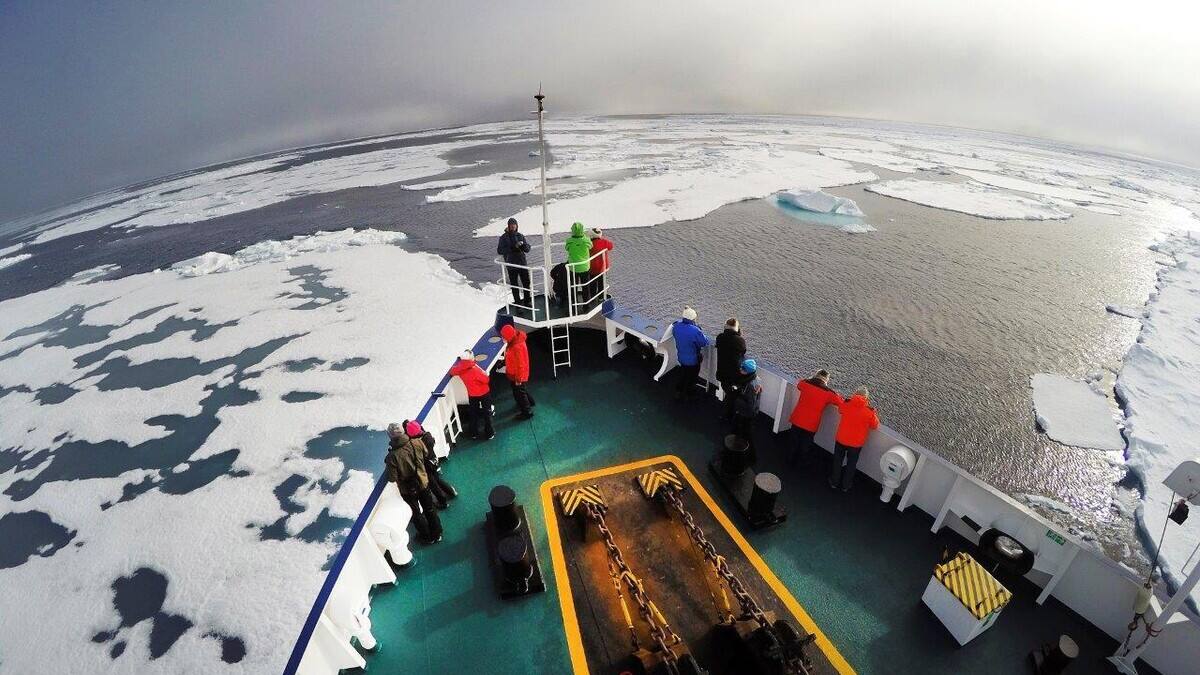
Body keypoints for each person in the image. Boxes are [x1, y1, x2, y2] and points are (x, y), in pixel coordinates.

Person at [385, 422, 443, 544]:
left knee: (416, 513)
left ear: (390, 436)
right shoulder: (416, 442)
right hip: (423, 481)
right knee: (429, 509)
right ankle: (437, 533)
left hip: (408, 489)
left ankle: (426, 537)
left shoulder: (392, 457)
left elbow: (392, 477)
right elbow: (426, 454)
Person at [830, 387, 880, 492]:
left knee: (837, 461)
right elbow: (875, 425)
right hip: (855, 444)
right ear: (866, 398)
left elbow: (840, 409)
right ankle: (846, 486)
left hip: (841, 439)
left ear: (854, 394)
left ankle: (834, 482)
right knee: (851, 465)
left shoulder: (847, 404)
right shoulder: (869, 412)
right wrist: (874, 413)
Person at [788, 369, 842, 465]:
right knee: (806, 445)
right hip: (811, 424)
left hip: (798, 419)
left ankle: (790, 460)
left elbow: (799, 384)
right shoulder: (828, 393)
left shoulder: (805, 384)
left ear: (815, 376)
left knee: (793, 441)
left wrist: (810, 379)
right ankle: (801, 463)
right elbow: (839, 402)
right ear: (826, 380)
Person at [403, 419, 457, 508]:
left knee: (433, 484)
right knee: (438, 479)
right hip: (434, 461)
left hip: (426, 466)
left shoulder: (418, 443)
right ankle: (451, 491)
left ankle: (443, 502)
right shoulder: (427, 435)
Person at [449, 350, 494, 440]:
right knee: (487, 413)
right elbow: (486, 380)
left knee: (473, 414)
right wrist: (485, 374)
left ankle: (474, 433)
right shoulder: (475, 370)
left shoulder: (460, 369)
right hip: (484, 393)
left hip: (472, 394)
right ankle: (489, 433)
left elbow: (452, 371)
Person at [671, 306, 709, 400]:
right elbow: (704, 342)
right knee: (692, 376)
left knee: (683, 374)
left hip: (681, 357)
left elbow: (677, 331)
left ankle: (678, 391)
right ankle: (689, 392)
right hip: (693, 360)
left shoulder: (676, 327)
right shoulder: (695, 331)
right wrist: (699, 329)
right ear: (693, 318)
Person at [500, 324, 535, 420]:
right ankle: (530, 402)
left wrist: (518, 379)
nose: (503, 339)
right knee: (522, 390)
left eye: (504, 337)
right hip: (519, 374)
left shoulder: (516, 347)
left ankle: (527, 412)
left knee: (519, 392)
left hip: (517, 375)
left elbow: (520, 365)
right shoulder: (518, 340)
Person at [715, 318, 747, 420]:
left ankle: (727, 414)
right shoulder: (740, 341)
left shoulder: (720, 337)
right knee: (732, 396)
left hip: (722, 373)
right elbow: (743, 351)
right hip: (735, 376)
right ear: (737, 329)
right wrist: (739, 335)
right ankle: (728, 416)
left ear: (725, 327)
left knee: (729, 393)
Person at [731, 358, 762, 463]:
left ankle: (751, 457)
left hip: (747, 413)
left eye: (742, 368)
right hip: (747, 412)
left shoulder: (750, 386)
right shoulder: (755, 379)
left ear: (747, 371)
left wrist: (737, 398)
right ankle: (739, 451)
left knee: (746, 434)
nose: (740, 369)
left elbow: (750, 405)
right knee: (739, 430)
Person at [497, 217, 532, 307]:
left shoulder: (520, 235)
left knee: (526, 282)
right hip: (511, 264)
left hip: (522, 263)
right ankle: (518, 303)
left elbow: (528, 248)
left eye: (514, 225)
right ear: (508, 226)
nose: (513, 227)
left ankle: (527, 301)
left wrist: (524, 246)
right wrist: (512, 248)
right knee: (514, 285)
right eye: (511, 225)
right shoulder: (503, 238)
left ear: (517, 226)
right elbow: (500, 250)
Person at [564, 222, 593, 311]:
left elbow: (566, 248)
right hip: (584, 267)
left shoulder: (569, 241)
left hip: (573, 268)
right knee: (585, 287)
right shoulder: (586, 240)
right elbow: (591, 246)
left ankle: (573, 306)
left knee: (573, 287)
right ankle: (586, 306)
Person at [586, 228, 613, 302]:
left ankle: (593, 297)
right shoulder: (604, 242)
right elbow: (611, 246)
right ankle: (601, 297)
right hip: (603, 267)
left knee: (592, 283)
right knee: (601, 282)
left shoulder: (589, 243)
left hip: (592, 267)